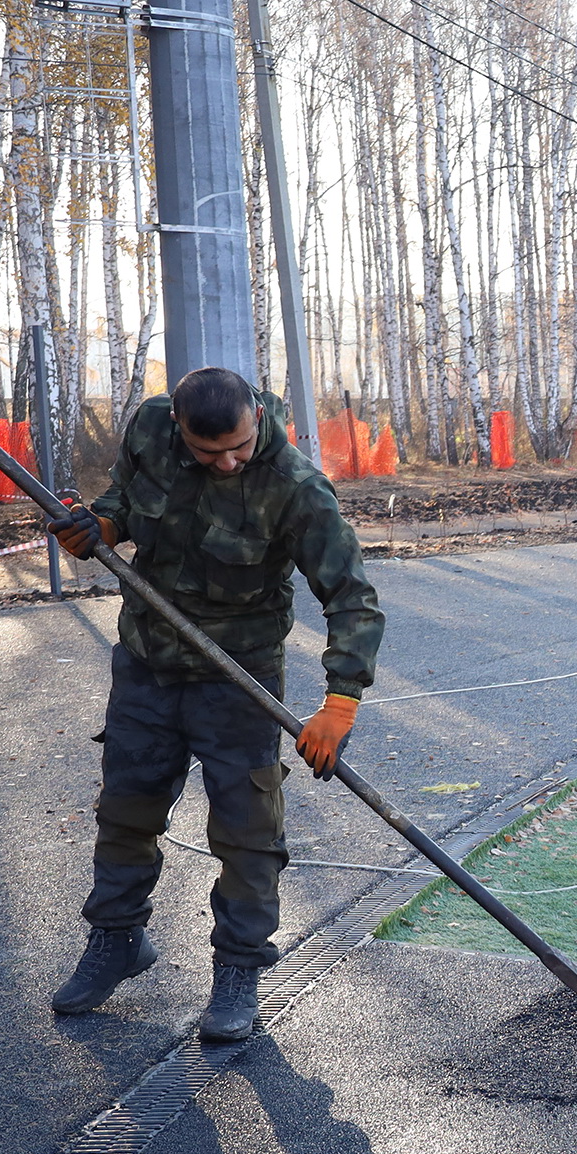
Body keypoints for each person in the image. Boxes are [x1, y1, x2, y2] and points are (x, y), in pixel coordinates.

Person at [45, 367, 384, 1042]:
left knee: (246, 828)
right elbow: (123, 504)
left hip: (239, 678)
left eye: (238, 445)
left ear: (256, 415)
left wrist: (340, 701)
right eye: (210, 453)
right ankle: (116, 939)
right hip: (147, 657)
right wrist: (99, 529)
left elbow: (352, 596)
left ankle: (237, 971)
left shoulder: (293, 487)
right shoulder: (149, 428)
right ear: (179, 428)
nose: (228, 461)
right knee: (126, 808)